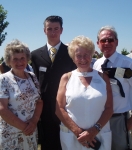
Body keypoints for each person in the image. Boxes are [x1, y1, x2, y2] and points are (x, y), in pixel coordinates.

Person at [93, 26, 132, 150]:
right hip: (98, 119)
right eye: (103, 40)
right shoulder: (97, 64)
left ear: (117, 42)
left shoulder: (128, 63)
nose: (107, 43)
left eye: (110, 40)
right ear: (98, 44)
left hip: (118, 119)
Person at [56, 35, 113, 150]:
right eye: (78, 55)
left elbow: (109, 108)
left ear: (91, 54)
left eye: (86, 54)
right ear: (73, 57)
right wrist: (78, 132)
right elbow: (59, 109)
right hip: (73, 136)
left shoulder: (103, 77)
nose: (83, 59)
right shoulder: (66, 78)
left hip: (99, 135)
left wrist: (93, 131)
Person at [31, 15, 76, 150]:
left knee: (67, 142)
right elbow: (35, 81)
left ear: (61, 30)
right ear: (44, 30)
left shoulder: (71, 53)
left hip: (66, 106)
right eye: (49, 29)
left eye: (56, 29)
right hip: (44, 108)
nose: (53, 32)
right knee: (48, 143)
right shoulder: (35, 55)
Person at [0, 39, 43, 149]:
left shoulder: (32, 77)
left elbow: (39, 101)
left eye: (22, 58)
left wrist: (34, 122)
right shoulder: (3, 79)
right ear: (9, 61)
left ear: (27, 59)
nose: (19, 62)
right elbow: (2, 109)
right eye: (15, 59)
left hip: (31, 133)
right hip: (11, 135)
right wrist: (24, 127)